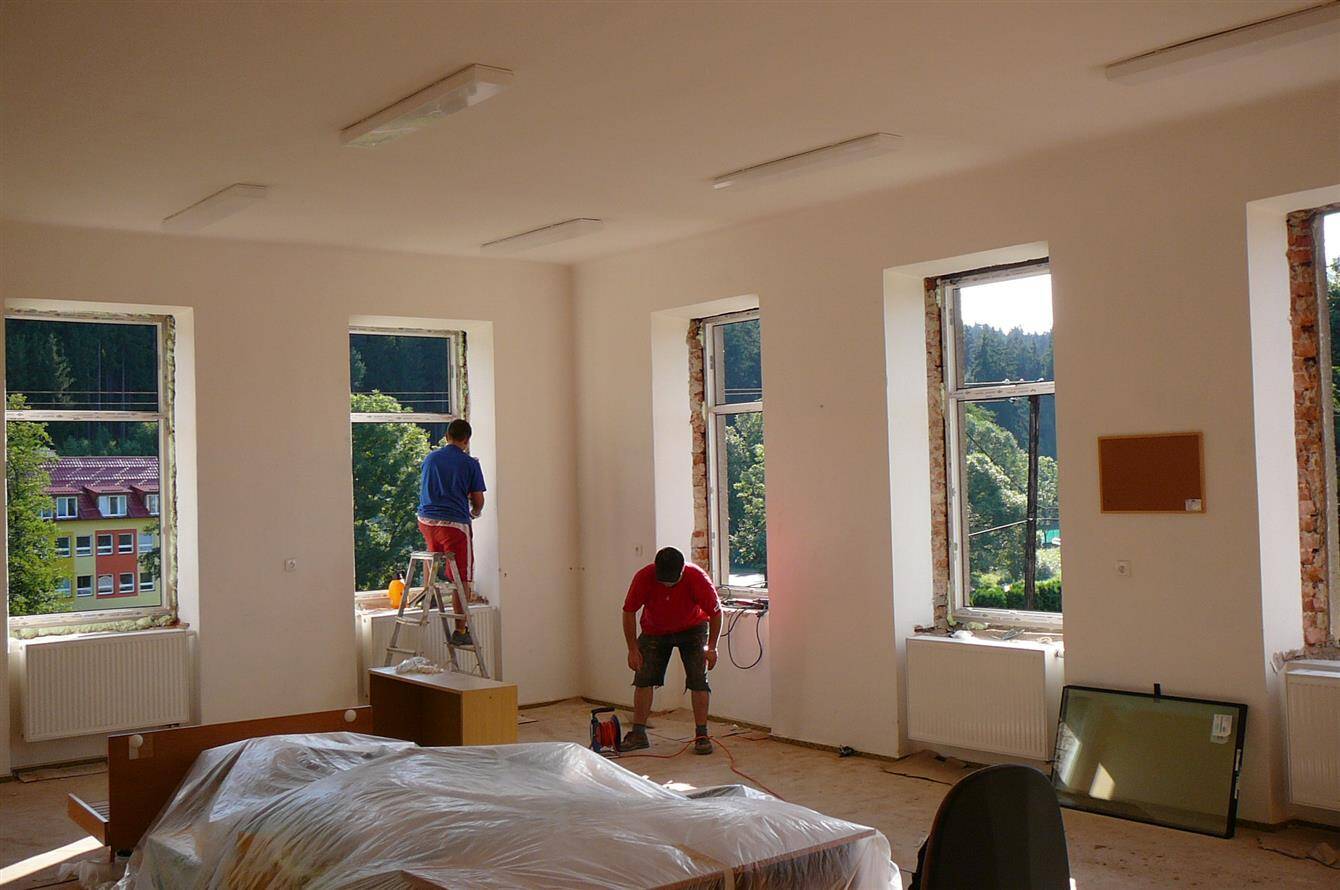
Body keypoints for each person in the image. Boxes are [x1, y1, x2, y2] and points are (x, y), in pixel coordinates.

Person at [621, 546, 722, 754]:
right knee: (643, 678)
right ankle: (638, 733)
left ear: (682, 570)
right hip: (655, 630)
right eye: (663, 580)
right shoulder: (644, 577)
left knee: (698, 680)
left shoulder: (697, 578)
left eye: (672, 581)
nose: (667, 585)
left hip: (692, 629)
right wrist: (632, 649)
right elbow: (629, 611)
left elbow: (716, 614)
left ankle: (701, 735)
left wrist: (712, 647)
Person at [418, 418, 486, 645]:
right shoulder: (470, 464)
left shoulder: (430, 458)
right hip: (454, 526)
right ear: (466, 440)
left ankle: (428, 595)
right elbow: (478, 500)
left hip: (426, 522)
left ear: (447, 436)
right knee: (462, 577)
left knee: (433, 555)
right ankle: (460, 630)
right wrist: (475, 512)